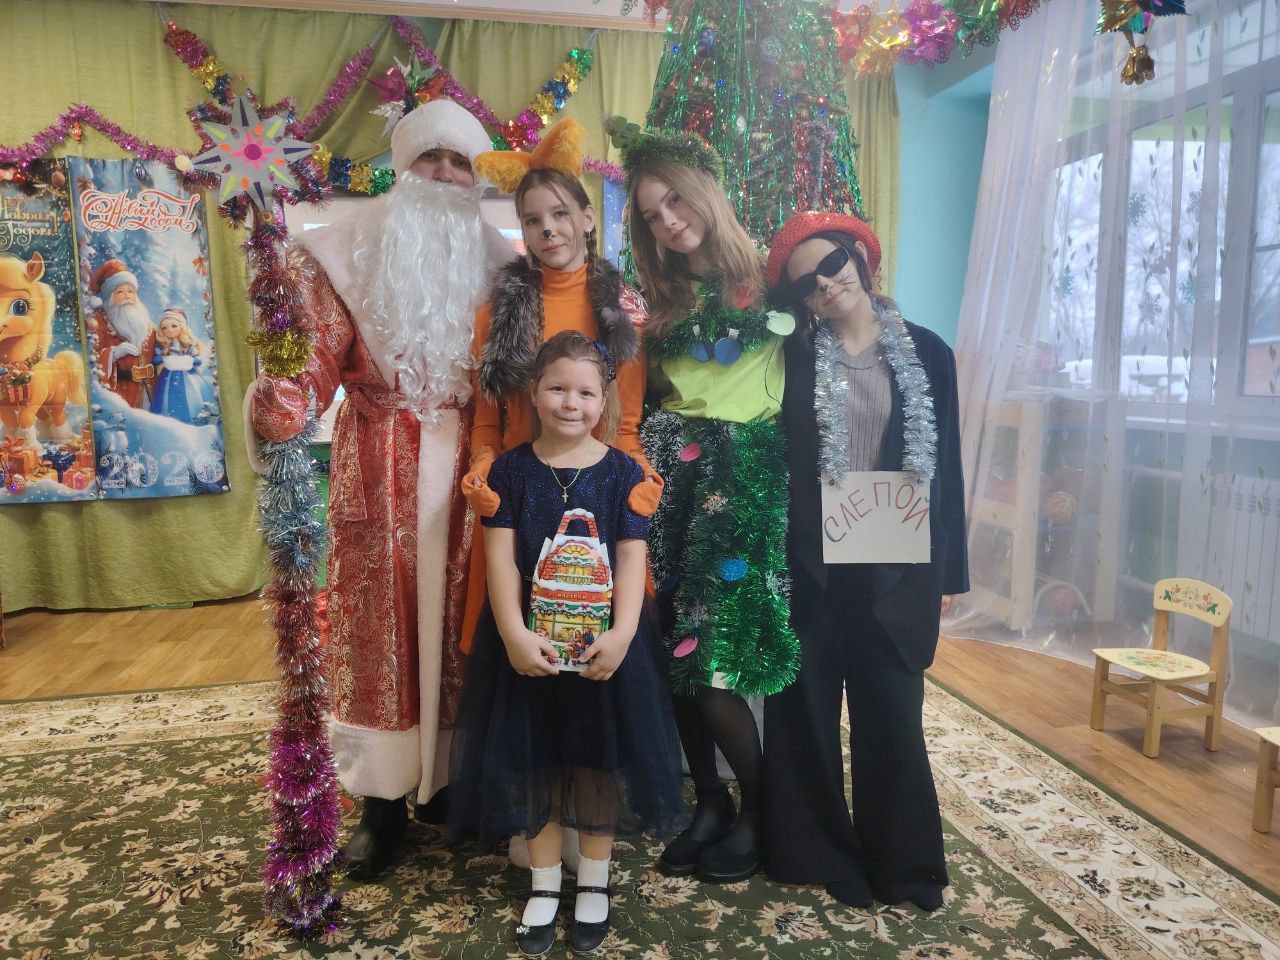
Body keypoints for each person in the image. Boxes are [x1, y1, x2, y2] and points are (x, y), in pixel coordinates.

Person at [246, 98, 514, 880]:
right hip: (379, 466)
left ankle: (457, 783)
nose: (444, 174)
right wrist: (284, 398)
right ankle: (382, 803)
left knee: (469, 628)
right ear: (402, 167)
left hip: (475, 471)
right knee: (377, 638)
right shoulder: (341, 254)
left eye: (459, 163)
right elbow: (310, 363)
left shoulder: (504, 266)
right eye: (431, 158)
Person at [449, 332, 685, 956]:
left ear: (604, 399)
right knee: (537, 762)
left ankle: (595, 883)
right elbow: (500, 561)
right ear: (534, 393)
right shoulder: (509, 471)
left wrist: (624, 635)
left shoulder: (624, 473)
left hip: (604, 650)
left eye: (585, 392)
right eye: (557, 388)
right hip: (528, 650)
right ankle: (545, 883)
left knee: (593, 762)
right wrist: (513, 633)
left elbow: (631, 560)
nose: (570, 403)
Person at [760, 210, 968, 912]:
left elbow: (948, 468)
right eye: (806, 283)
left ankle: (905, 865)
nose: (825, 283)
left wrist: (949, 574)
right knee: (806, 711)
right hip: (815, 565)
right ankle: (818, 852)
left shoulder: (929, 353)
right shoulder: (795, 359)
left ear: (858, 259)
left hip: (897, 565)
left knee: (892, 715)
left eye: (832, 264)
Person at [619, 125, 800, 884]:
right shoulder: (656, 302)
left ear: (703, 191)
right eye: (651, 214)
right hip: (672, 469)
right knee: (673, 649)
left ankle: (764, 808)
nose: (668, 221)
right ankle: (711, 800)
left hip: (745, 469)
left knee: (718, 652)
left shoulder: (773, 274)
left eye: (674, 201)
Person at [89, 258, 156, 408]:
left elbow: (163, 344)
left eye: (131, 291)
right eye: (120, 292)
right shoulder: (100, 322)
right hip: (122, 396)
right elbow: (91, 359)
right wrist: (113, 354)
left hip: (150, 393)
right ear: (111, 297)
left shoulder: (146, 323)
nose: (127, 296)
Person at [150, 307, 211, 423]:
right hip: (167, 376)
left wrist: (187, 360)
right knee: (166, 399)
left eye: (174, 326)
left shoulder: (187, 344)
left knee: (192, 397)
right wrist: (164, 357)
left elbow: (198, 360)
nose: (169, 330)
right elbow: (155, 359)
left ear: (181, 326)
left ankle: (193, 419)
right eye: (164, 328)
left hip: (188, 375)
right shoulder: (163, 345)